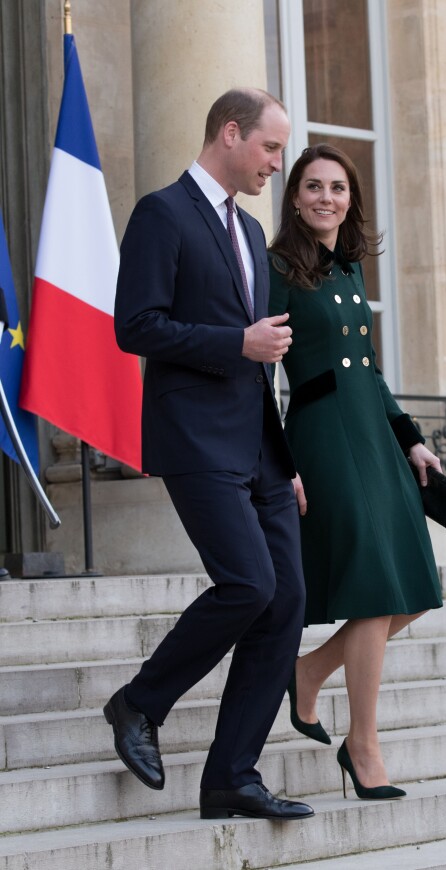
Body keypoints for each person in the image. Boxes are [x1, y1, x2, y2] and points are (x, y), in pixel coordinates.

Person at [104, 88, 314, 822]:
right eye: (269, 148)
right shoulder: (162, 213)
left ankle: (231, 777)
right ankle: (138, 702)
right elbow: (136, 326)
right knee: (249, 584)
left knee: (288, 597)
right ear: (231, 134)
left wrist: (283, 464)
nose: (276, 164)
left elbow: (259, 363)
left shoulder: (252, 233)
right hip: (193, 438)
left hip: (256, 448)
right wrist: (237, 342)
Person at [268, 143, 444, 801]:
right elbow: (258, 372)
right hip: (321, 438)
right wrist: (277, 461)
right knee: (374, 586)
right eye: (312, 186)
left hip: (372, 435)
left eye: (337, 188)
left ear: (351, 198)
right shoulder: (276, 266)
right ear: (294, 197)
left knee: (416, 588)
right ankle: (362, 745)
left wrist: (413, 442)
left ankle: (308, 671)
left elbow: (368, 371)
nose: (326, 198)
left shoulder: (347, 269)